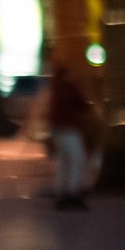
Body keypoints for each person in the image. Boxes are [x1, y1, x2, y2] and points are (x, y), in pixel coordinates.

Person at [44, 60, 98, 209]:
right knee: (77, 159)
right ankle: (73, 194)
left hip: (58, 129)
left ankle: (61, 193)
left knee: (63, 161)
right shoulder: (69, 87)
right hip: (69, 128)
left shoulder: (56, 88)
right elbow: (82, 104)